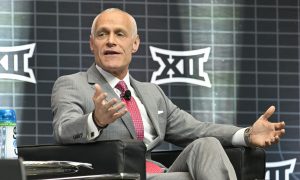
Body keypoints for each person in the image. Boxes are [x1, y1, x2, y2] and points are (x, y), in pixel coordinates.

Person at [51, 8, 285, 180]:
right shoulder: (73, 84)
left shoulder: (151, 93)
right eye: (102, 34)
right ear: (92, 44)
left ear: (135, 44)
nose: (111, 41)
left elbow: (196, 129)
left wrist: (246, 135)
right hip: (115, 175)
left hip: (157, 174)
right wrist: (96, 120)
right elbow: (64, 129)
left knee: (206, 143)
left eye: (119, 34)